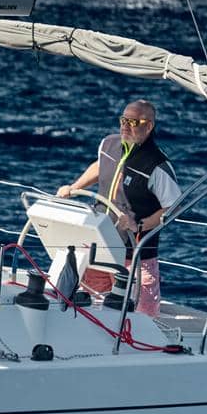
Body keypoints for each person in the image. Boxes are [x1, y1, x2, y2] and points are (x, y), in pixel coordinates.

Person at [57, 100, 183, 318]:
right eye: (123, 120)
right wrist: (73, 188)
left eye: (133, 121)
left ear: (149, 126)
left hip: (135, 254)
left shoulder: (157, 165)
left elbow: (174, 206)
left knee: (141, 315)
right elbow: (100, 166)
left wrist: (140, 225)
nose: (125, 126)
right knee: (93, 306)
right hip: (100, 245)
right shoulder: (108, 144)